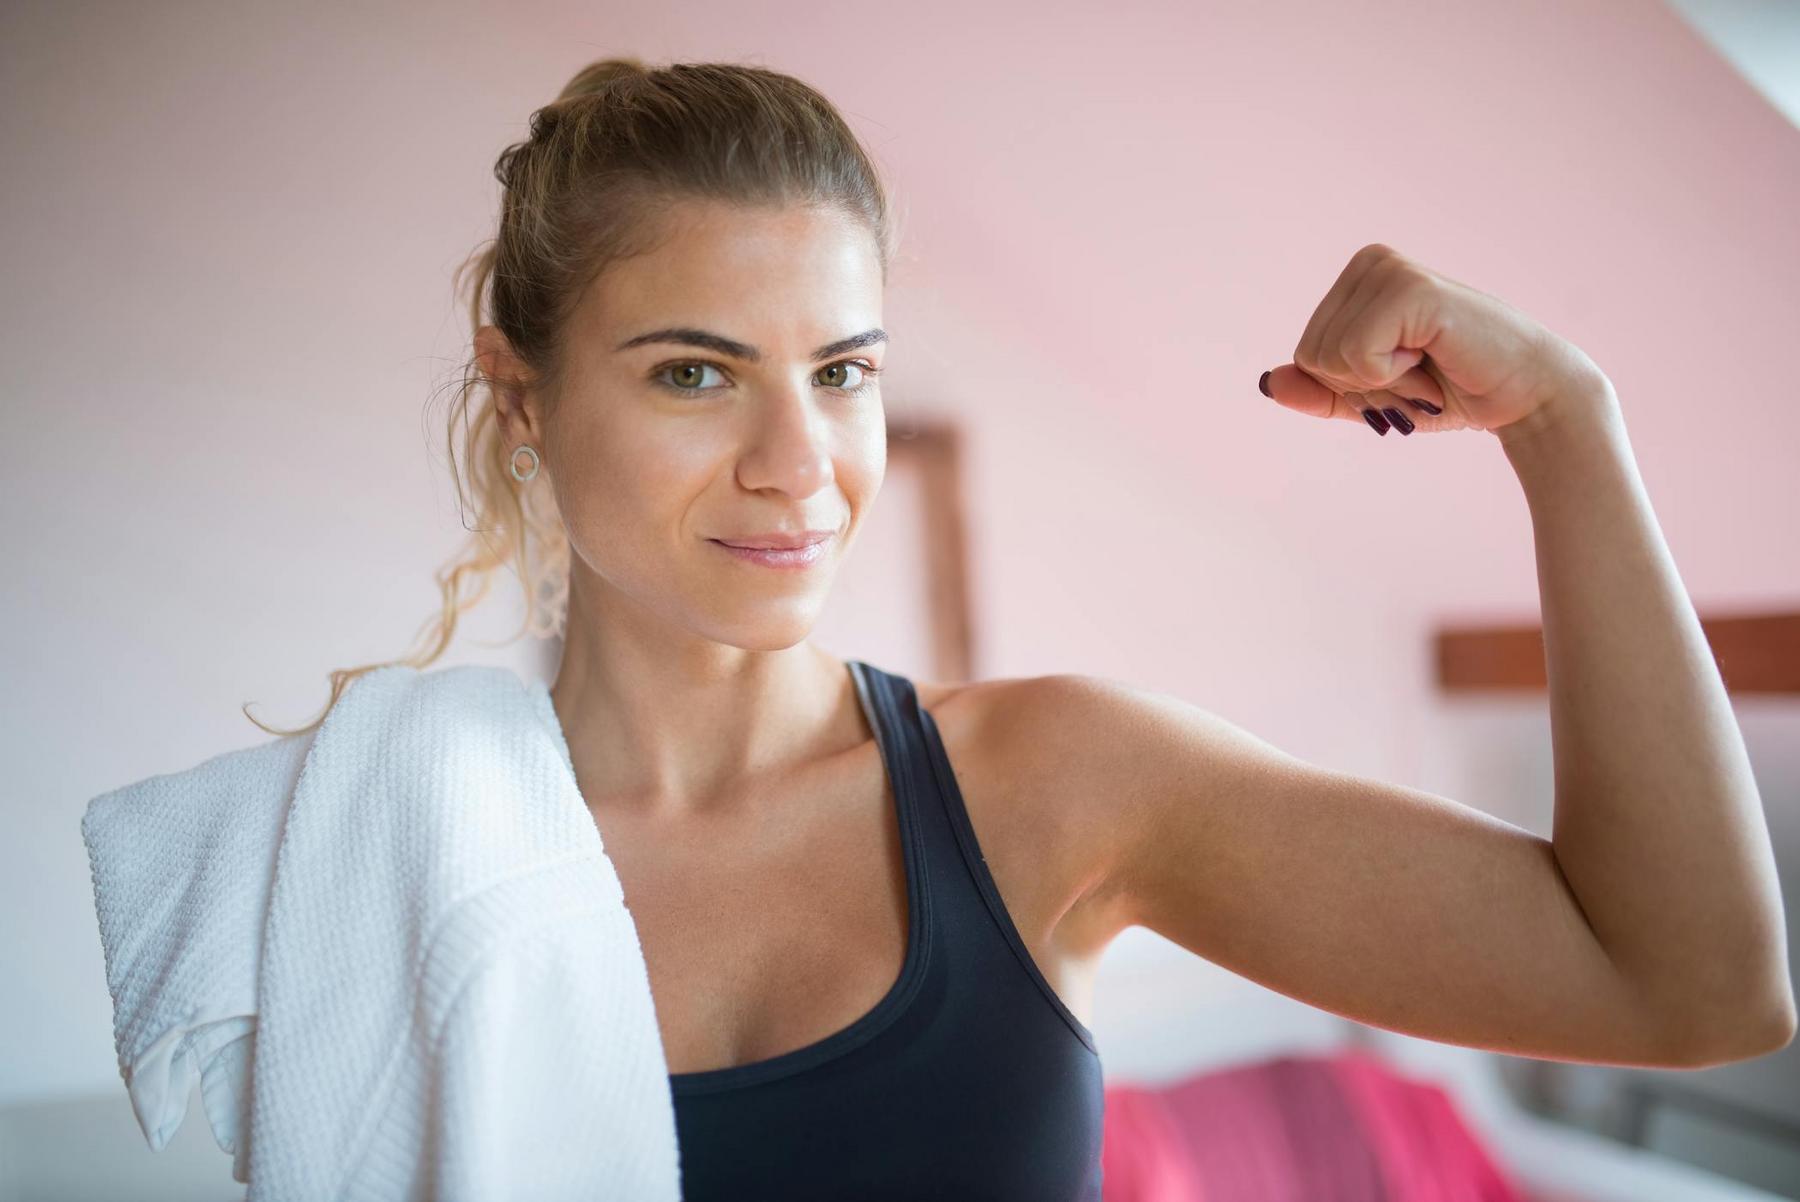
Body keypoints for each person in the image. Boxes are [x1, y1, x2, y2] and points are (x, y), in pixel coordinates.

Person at [241, 56, 1792, 1199]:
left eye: (842, 370)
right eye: (695, 372)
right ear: (526, 396)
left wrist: (1563, 421)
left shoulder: (1053, 784)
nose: (803, 464)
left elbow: (1694, 984)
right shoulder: (392, 852)